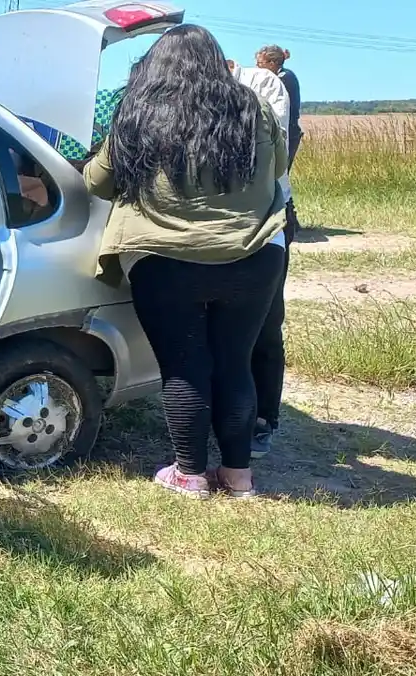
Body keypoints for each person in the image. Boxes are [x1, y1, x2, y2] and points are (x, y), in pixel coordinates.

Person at [85, 24, 289, 499]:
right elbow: (279, 167)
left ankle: (190, 474)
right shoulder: (252, 106)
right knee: (235, 363)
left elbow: (97, 181)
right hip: (252, 254)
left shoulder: (138, 110)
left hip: (165, 260)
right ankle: (238, 477)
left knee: (183, 367)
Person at [249, 45, 303, 458]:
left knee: (265, 325)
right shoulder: (267, 84)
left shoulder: (272, 87)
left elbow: (280, 156)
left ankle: (264, 417)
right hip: (255, 221)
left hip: (267, 220)